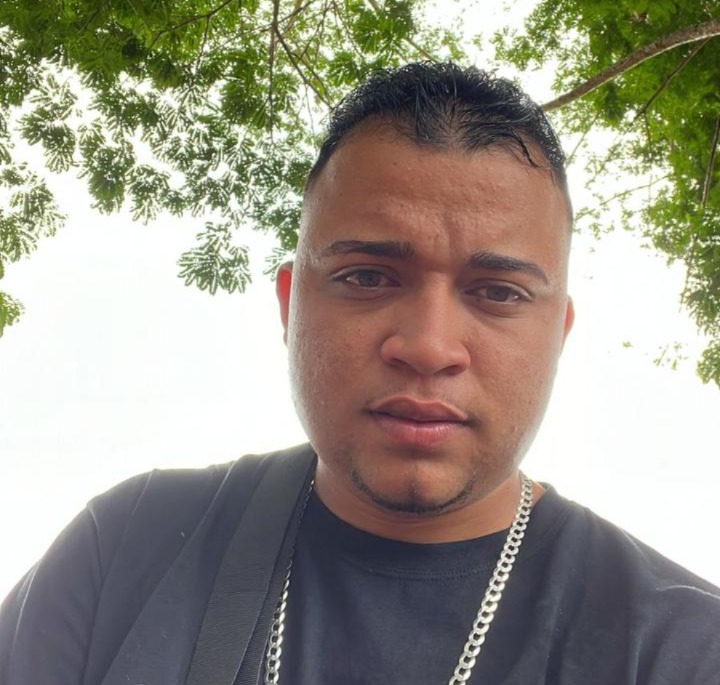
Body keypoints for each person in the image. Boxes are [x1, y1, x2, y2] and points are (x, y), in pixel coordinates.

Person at [2, 62, 719, 685]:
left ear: (557, 333)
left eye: (498, 293)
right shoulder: (126, 553)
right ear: (290, 306)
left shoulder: (680, 650)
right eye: (368, 276)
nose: (429, 347)